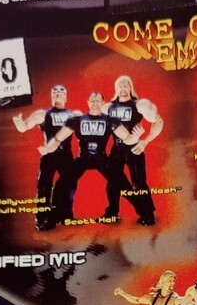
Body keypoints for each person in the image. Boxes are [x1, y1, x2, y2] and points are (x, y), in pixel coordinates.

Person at [38, 91, 142, 220]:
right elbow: (58, 139)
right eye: (92, 100)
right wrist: (48, 148)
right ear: (87, 102)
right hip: (83, 158)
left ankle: (144, 212)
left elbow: (127, 138)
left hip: (101, 158)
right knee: (61, 184)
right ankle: (53, 216)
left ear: (103, 103)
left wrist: (136, 137)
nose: (95, 102)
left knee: (122, 183)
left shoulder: (110, 120)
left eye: (98, 100)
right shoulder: (76, 120)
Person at [12, 84, 80, 230]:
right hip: (48, 153)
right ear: (51, 97)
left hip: (66, 154)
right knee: (44, 186)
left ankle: (66, 215)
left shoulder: (72, 115)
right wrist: (19, 124)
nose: (57, 96)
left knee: (70, 184)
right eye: (54, 94)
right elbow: (25, 127)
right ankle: (42, 218)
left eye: (60, 94)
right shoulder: (42, 114)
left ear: (66, 98)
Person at [104, 75, 162, 225]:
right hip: (117, 148)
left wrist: (145, 141)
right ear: (116, 89)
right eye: (120, 86)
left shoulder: (139, 105)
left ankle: (148, 215)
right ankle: (112, 212)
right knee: (112, 181)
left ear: (131, 87)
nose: (123, 88)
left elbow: (158, 121)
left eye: (126, 85)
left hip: (134, 147)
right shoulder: (109, 107)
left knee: (139, 182)